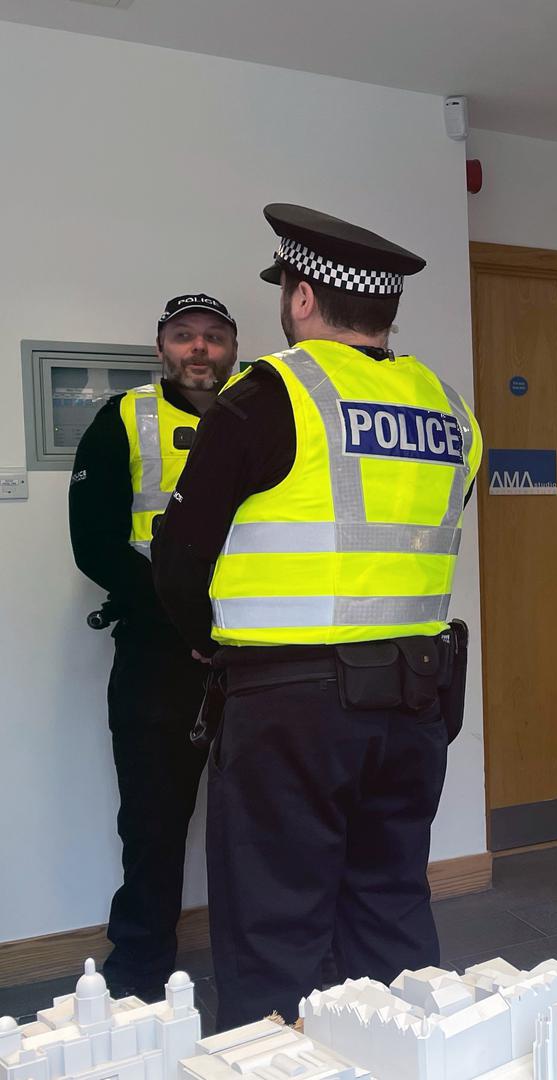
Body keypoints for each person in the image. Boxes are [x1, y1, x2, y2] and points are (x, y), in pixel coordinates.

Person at [152, 204, 482, 1028]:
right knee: (390, 905)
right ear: (383, 311)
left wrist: (204, 647)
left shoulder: (269, 394)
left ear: (301, 298)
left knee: (276, 924)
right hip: (414, 702)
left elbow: (181, 554)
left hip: (291, 707)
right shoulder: (450, 409)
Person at [68, 293, 241, 997]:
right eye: (184, 336)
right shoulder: (124, 420)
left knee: (263, 824)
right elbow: (96, 545)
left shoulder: (269, 416)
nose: (199, 349)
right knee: (152, 823)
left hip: (252, 657)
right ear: (161, 348)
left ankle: (267, 965)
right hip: (159, 660)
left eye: (213, 337)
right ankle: (137, 977)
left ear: (233, 348)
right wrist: (182, 623)